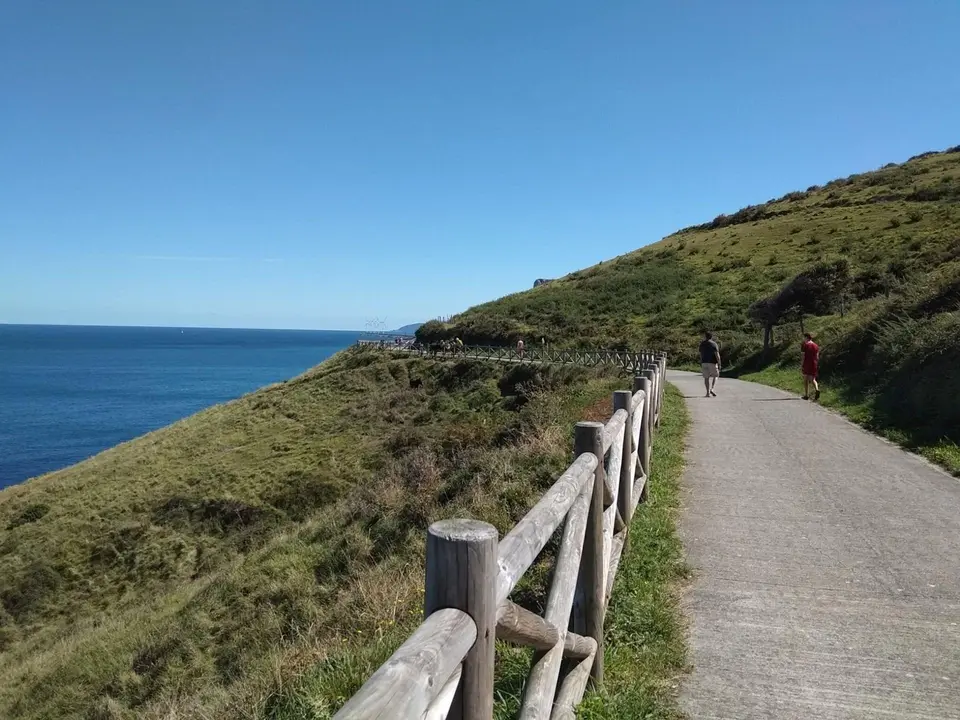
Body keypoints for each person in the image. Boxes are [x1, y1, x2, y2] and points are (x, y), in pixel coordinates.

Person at [698, 331, 721, 397]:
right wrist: (719, 363)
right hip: (712, 362)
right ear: (711, 336)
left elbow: (701, 354)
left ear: (705, 336)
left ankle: (707, 393)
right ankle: (712, 389)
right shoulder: (714, 344)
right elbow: (717, 355)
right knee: (716, 375)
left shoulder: (702, 344)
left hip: (704, 362)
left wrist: (701, 361)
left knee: (706, 378)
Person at [801, 332, 821, 401]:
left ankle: (806, 395)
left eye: (804, 338)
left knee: (805, 379)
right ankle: (817, 389)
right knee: (813, 379)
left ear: (806, 337)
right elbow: (817, 357)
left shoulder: (805, 345)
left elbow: (803, 356)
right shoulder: (816, 345)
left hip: (807, 363)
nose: (803, 339)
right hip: (814, 363)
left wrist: (802, 365)